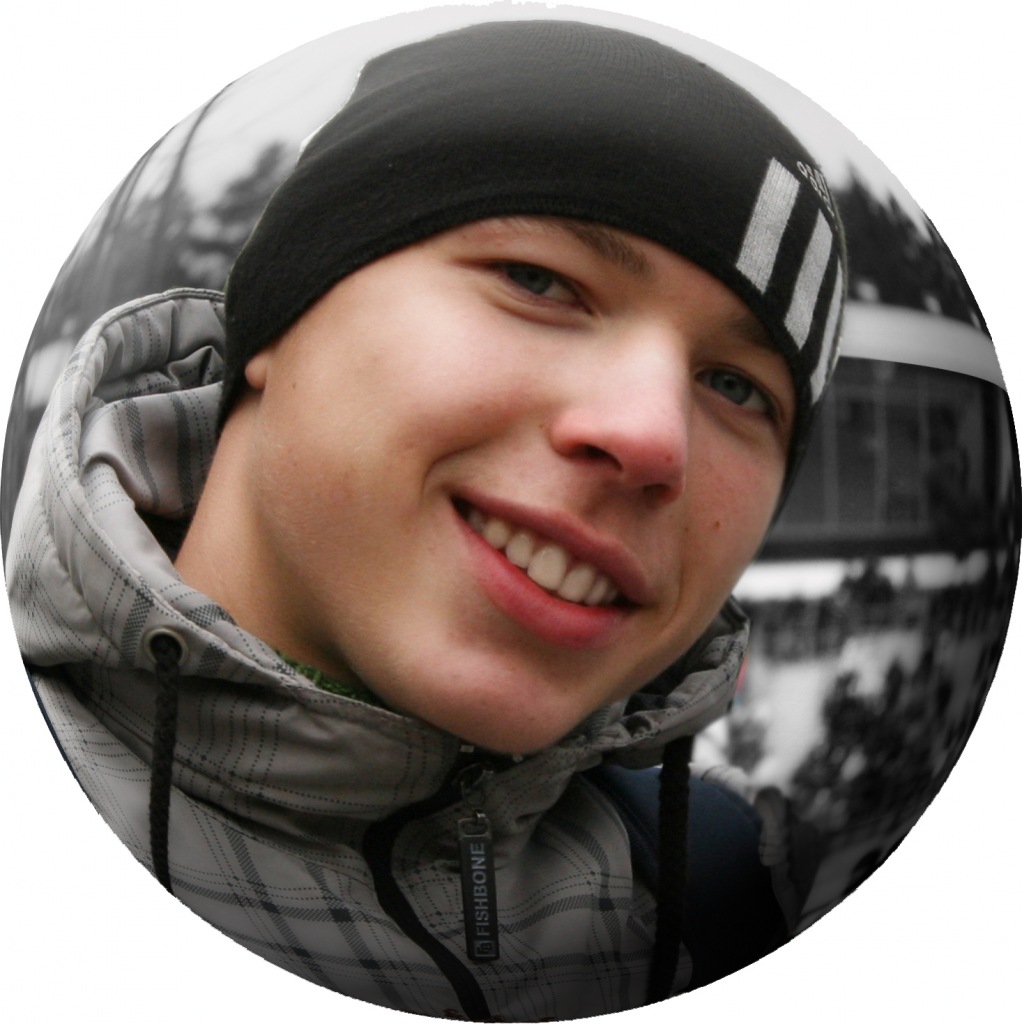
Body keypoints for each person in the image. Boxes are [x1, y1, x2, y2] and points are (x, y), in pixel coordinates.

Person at [5, 19, 844, 1020]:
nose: (654, 437)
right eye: (537, 281)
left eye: (736, 388)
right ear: (282, 314)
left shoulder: (726, 881)